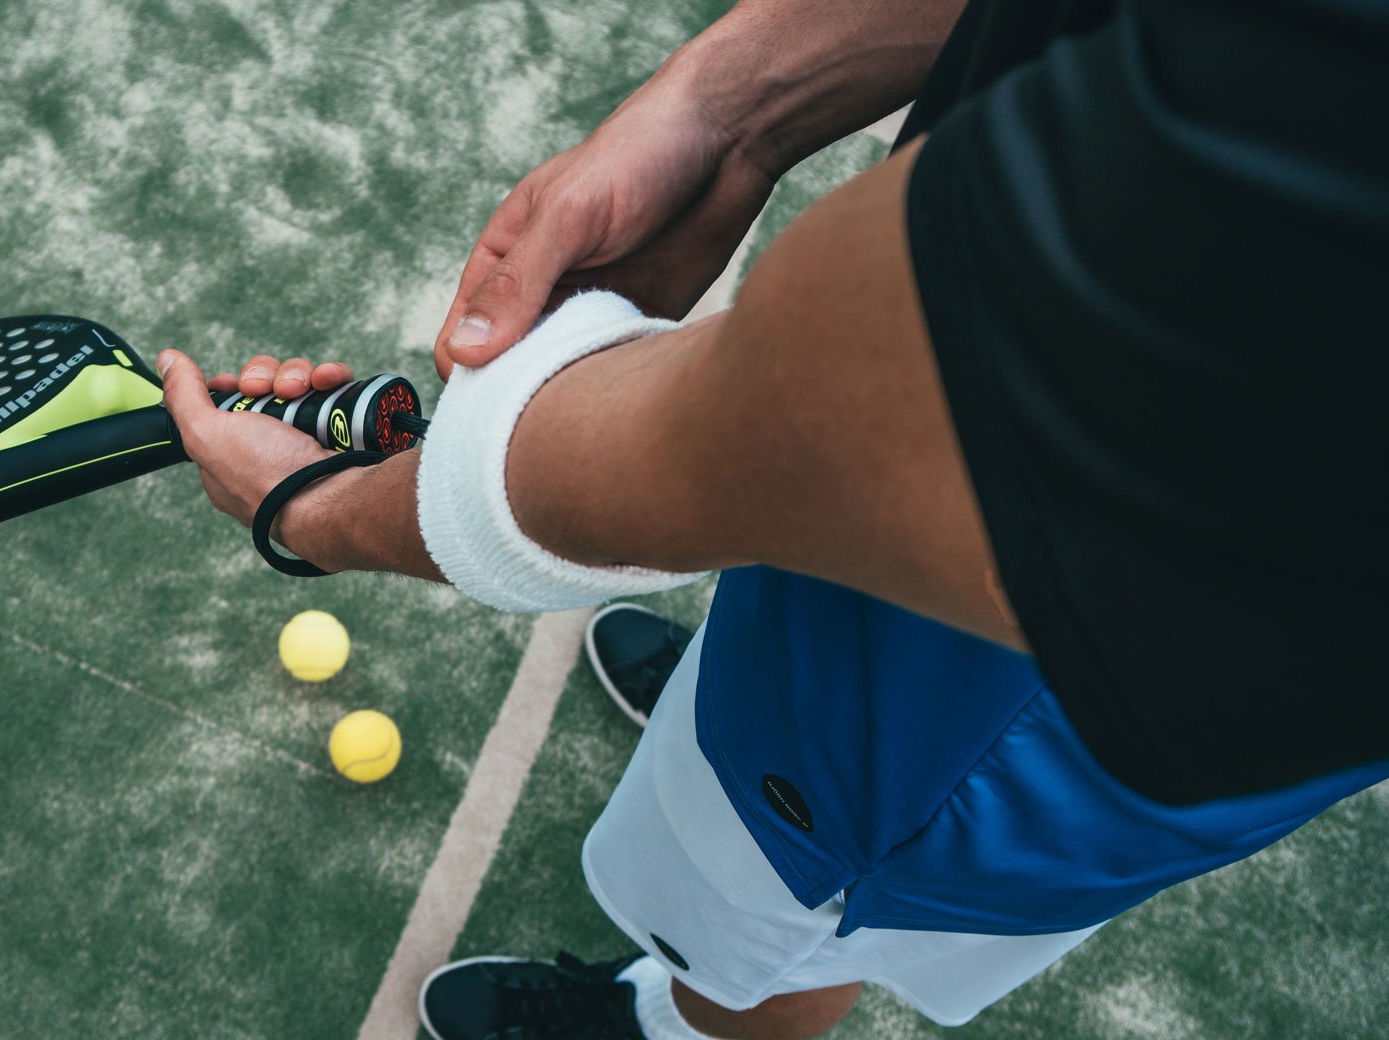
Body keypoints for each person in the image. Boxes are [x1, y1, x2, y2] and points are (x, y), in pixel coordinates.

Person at [154, 0, 1389, 1035]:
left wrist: (315, 511)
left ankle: (672, 1019)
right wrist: (728, 106)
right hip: (1015, 552)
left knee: (779, 925)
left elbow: (801, 436)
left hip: (993, 711)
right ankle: (738, 696)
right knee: (767, 710)